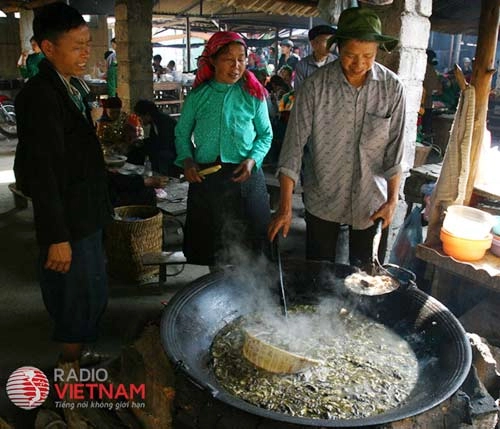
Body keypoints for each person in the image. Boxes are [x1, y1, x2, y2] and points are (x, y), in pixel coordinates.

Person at [13, 2, 113, 426]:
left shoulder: (74, 87)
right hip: (66, 225)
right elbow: (42, 171)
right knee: (72, 306)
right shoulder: (39, 96)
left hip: (86, 215)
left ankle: (79, 369)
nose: (85, 53)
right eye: (76, 46)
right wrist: (56, 236)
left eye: (88, 44)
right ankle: (68, 392)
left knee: (91, 297)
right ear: (47, 48)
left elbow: (81, 159)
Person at [268, 7, 406, 269]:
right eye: (351, 55)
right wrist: (285, 207)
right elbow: (293, 149)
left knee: (366, 280)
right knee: (319, 279)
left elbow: (395, 150)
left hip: (371, 201)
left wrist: (392, 201)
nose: (359, 64)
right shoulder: (314, 87)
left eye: (368, 55)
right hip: (323, 196)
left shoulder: (392, 88)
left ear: (377, 50)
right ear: (338, 48)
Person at [175, 31, 273, 268]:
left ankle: (251, 295)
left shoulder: (253, 94)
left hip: (246, 176)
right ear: (213, 60)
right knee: (213, 246)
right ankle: (216, 294)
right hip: (208, 179)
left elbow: (266, 135)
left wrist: (253, 160)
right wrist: (187, 160)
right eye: (229, 59)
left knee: (253, 245)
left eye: (241, 58)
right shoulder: (199, 96)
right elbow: (181, 133)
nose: (236, 66)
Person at [133, 99, 180, 177]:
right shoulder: (154, 122)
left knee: (160, 155)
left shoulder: (164, 122)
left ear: (147, 114)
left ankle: (164, 178)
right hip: (165, 150)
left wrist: (145, 144)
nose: (139, 120)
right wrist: (141, 142)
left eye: (140, 117)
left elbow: (164, 144)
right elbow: (154, 139)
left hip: (173, 153)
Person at [293, 25, 337, 90]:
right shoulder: (303, 65)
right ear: (313, 44)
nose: (331, 45)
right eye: (327, 41)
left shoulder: (337, 62)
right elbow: (299, 92)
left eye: (332, 42)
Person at [421, 49, 442, 136]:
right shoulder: (428, 70)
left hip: (425, 102)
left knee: (424, 124)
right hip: (425, 103)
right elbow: (435, 88)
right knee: (425, 125)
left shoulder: (428, 69)